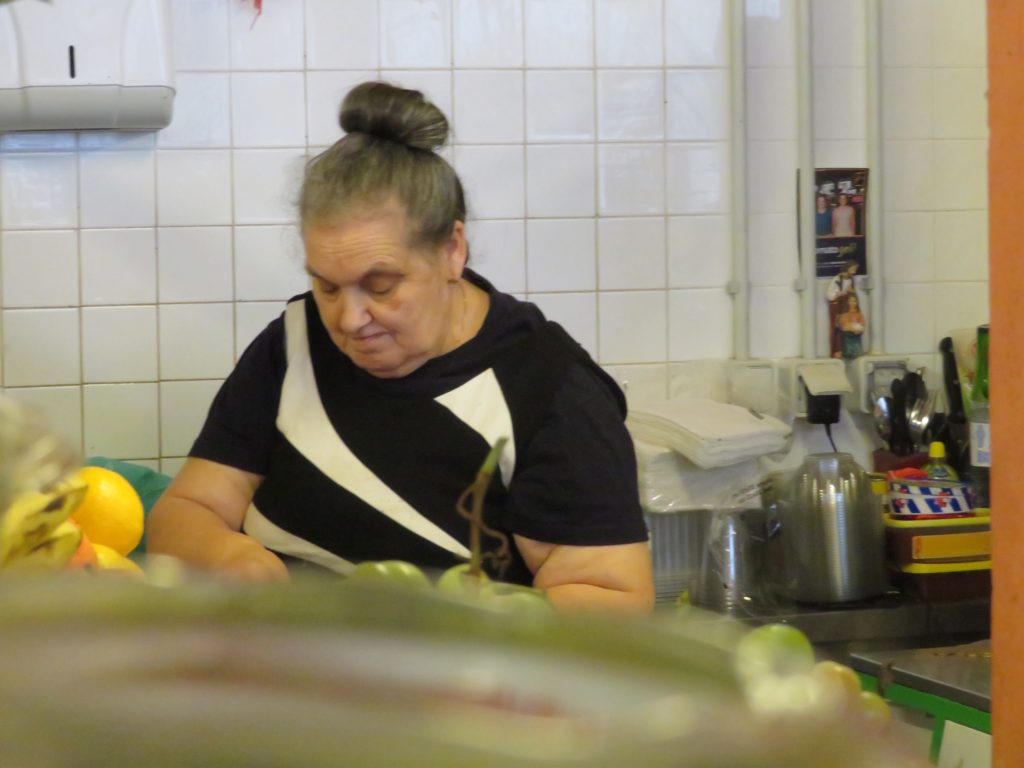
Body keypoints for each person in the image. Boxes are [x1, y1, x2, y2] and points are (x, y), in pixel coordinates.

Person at [147, 82, 655, 614]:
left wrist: (457, 642)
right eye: (327, 286)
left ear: (452, 249)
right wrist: (231, 559)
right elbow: (188, 509)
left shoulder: (550, 393)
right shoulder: (296, 340)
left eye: (382, 285)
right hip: (284, 676)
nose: (349, 319)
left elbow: (614, 602)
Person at [826, 260, 859, 359]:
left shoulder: (852, 279)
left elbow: (851, 293)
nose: (854, 272)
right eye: (852, 269)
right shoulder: (837, 279)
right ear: (847, 268)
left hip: (846, 306)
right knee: (836, 328)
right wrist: (841, 293)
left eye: (855, 270)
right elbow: (830, 295)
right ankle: (836, 351)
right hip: (836, 305)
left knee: (846, 327)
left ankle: (846, 350)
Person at [838, 292, 865, 359]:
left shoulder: (859, 314)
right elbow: (844, 327)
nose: (852, 303)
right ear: (848, 302)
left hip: (856, 339)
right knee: (848, 354)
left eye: (854, 301)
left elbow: (862, 325)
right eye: (851, 301)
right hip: (848, 340)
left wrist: (858, 329)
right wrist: (852, 328)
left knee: (858, 355)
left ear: (857, 302)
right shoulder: (845, 314)